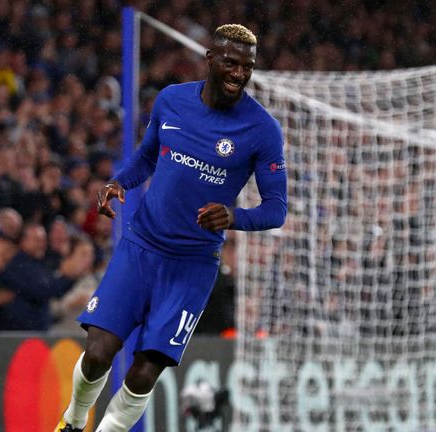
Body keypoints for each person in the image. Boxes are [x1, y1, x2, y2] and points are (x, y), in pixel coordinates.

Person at [56, 24, 287, 432]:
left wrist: (235, 217)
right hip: (141, 247)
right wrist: (118, 182)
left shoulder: (262, 129)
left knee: (145, 371)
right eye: (231, 63)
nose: (238, 74)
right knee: (97, 354)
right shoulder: (172, 101)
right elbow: (147, 156)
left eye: (247, 67)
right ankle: (73, 421)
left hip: (192, 266)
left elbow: (276, 209)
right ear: (210, 59)